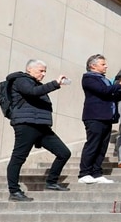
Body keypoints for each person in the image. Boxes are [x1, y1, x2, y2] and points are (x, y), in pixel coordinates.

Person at [5, 60, 72, 201]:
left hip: (41, 126)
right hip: (26, 125)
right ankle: (14, 192)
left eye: (45, 71)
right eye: (41, 70)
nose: (44, 74)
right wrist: (55, 83)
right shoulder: (20, 80)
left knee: (64, 153)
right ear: (30, 69)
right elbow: (32, 92)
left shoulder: (36, 84)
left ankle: (52, 182)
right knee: (18, 157)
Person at [79, 54, 121, 184]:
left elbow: (113, 95)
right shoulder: (89, 78)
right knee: (93, 144)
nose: (106, 66)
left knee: (102, 146)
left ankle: (96, 173)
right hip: (94, 116)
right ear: (93, 66)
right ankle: (84, 173)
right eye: (103, 64)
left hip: (106, 117)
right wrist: (119, 85)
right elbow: (103, 91)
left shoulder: (104, 79)